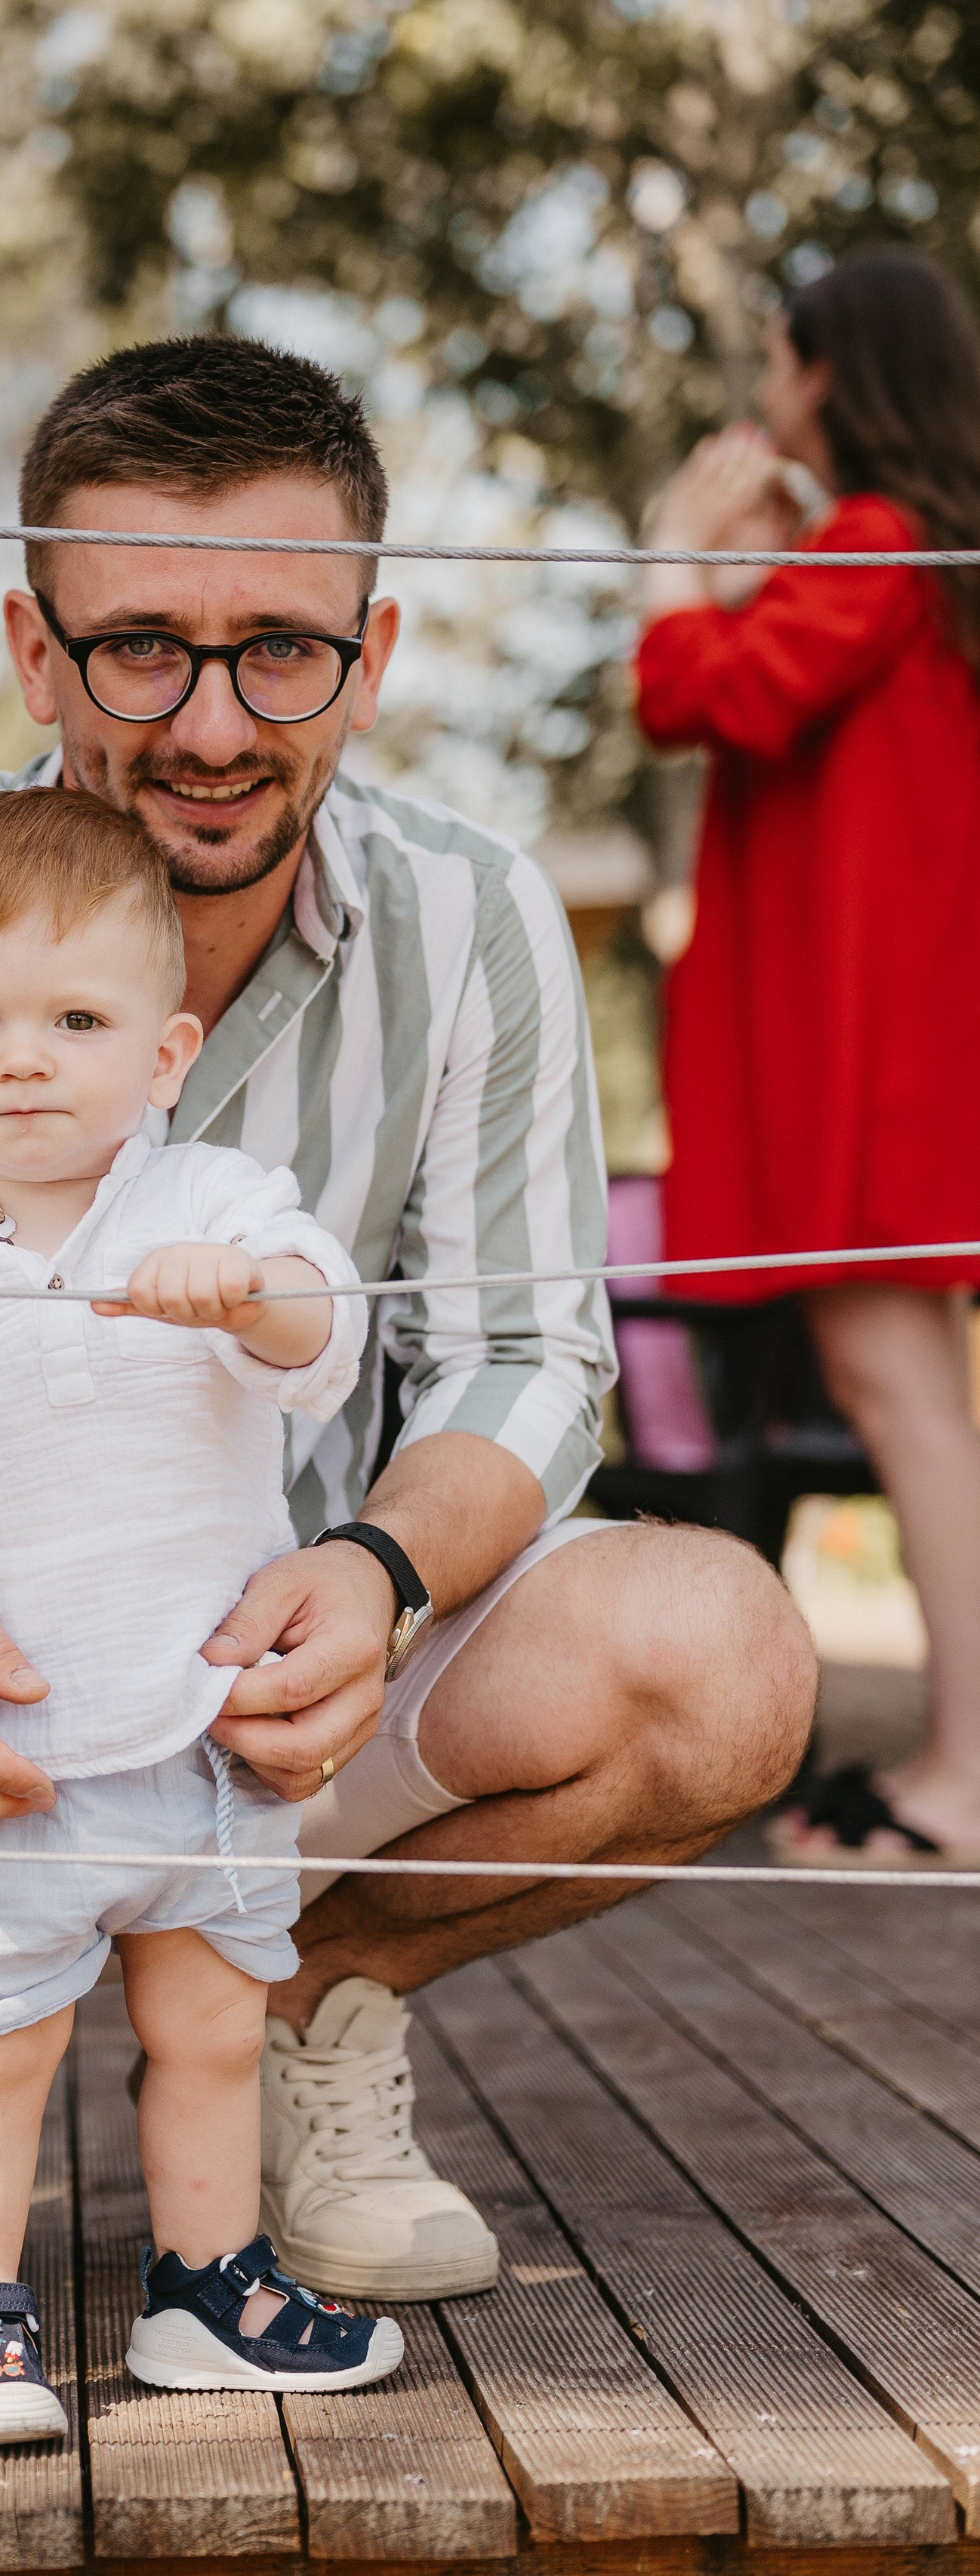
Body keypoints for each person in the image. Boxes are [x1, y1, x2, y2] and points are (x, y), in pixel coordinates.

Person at [0, 336, 817, 2347]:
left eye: (280, 651)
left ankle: (305, 2006)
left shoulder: (476, 921)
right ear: (35, 653)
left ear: (370, 664)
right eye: (140, 652)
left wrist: (378, 1575)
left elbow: (525, 1364)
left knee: (727, 1662)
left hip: (296, 1709)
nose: (211, 721)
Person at [0, 787, 402, 2434]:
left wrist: (248, 1297)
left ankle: (207, 2283)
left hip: (197, 1730)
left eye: (75, 1020)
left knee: (208, 2025)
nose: (22, 1058)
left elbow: (322, 1340)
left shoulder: (218, 1206)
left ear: (164, 1056)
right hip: (9, 1742)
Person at [637, 251, 980, 1864]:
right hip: (899, 1041)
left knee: (903, 1397)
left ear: (821, 372)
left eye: (776, 360)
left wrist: (669, 565)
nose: (763, 390)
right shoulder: (894, 550)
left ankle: (965, 1772)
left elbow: (705, 697)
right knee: (906, 1393)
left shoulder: (876, 537)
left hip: (875, 1057)